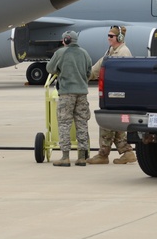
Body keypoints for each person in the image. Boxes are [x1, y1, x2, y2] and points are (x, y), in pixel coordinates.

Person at [87, 25, 136, 164]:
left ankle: (103, 155)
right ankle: (127, 152)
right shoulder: (111, 51)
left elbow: (124, 76)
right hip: (111, 93)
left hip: (118, 94)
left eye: (111, 36)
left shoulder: (123, 53)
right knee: (115, 123)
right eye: (108, 35)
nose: (108, 38)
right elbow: (96, 69)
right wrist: (81, 76)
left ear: (119, 38)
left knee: (107, 122)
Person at [45, 30, 91, 167]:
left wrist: (61, 71)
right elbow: (89, 72)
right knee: (82, 123)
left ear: (65, 40)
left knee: (64, 123)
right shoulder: (84, 53)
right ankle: (82, 157)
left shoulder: (60, 53)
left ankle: (65, 157)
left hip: (66, 94)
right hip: (82, 93)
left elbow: (50, 68)